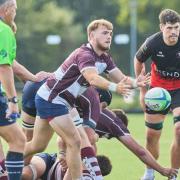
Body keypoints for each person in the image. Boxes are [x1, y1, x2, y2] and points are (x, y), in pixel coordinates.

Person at [23, 19, 150, 180]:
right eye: (104, 33)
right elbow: (93, 79)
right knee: (75, 142)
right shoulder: (84, 54)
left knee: (37, 145)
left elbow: (121, 78)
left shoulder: (104, 58)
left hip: (58, 100)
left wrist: (135, 83)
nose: (109, 36)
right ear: (91, 35)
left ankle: (5, 167)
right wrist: (114, 87)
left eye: (110, 33)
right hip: (52, 99)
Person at [74, 86, 178, 179]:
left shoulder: (79, 94)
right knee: (87, 147)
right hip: (70, 131)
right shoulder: (113, 123)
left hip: (65, 122)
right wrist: (161, 170)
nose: (101, 109)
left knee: (86, 147)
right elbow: (140, 151)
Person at [0, 0, 50, 179]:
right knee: (19, 140)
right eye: (15, 9)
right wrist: (13, 101)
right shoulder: (3, 30)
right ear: (6, 9)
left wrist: (33, 78)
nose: (15, 13)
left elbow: (13, 64)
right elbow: (4, 67)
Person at [134, 9, 180, 180]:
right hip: (157, 91)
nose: (173, 31)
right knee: (151, 135)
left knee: (179, 129)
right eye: (169, 28)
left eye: (176, 27)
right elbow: (138, 59)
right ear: (161, 27)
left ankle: (174, 174)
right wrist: (142, 89)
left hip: (179, 90)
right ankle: (150, 172)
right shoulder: (152, 43)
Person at [21, 152, 112, 180]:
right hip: (49, 163)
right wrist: (62, 153)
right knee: (26, 174)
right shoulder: (79, 158)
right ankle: (7, 171)